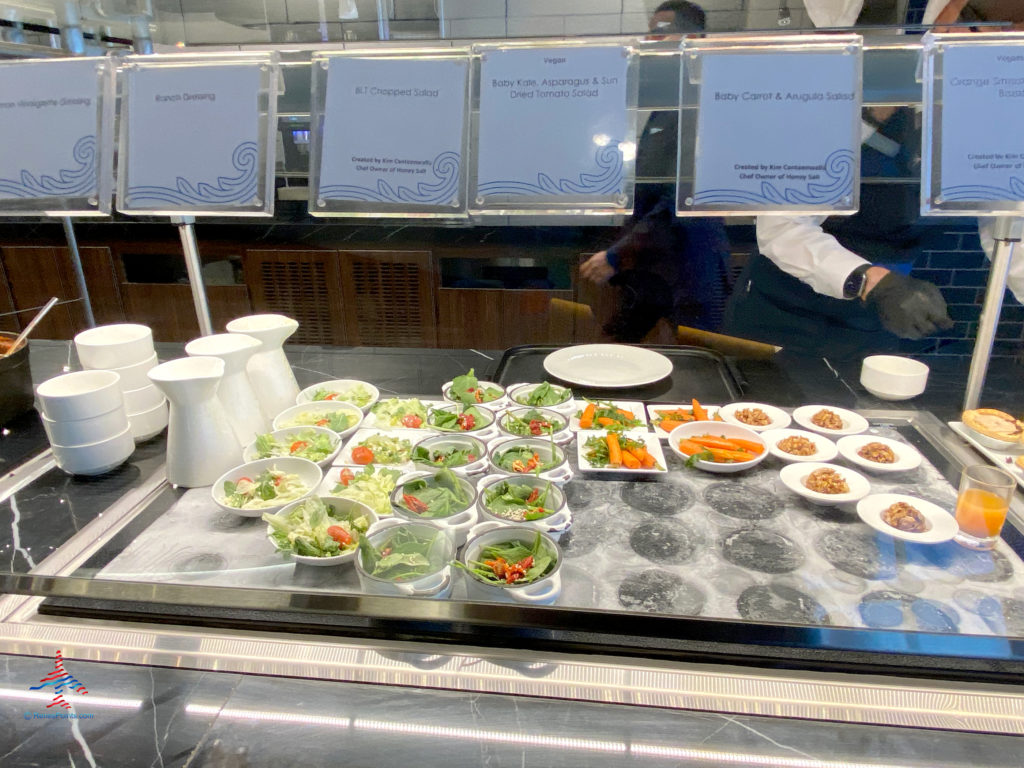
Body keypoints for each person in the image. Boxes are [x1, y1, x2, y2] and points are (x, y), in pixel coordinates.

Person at [580, 1, 732, 342]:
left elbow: (679, 199)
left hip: (691, 265)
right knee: (620, 351)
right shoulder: (674, 99)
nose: (648, 41)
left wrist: (617, 255)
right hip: (656, 267)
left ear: (691, 39)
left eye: (658, 32)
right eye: (648, 33)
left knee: (699, 363)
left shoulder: (704, 100)